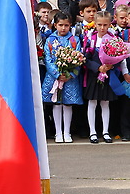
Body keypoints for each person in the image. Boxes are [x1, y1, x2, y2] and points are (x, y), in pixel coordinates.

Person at [41, 12, 83, 143]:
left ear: (70, 25)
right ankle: (58, 132)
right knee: (56, 104)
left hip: (69, 79)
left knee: (68, 104)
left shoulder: (75, 40)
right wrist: (58, 74)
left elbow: (79, 58)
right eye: (60, 25)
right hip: (54, 78)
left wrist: (70, 74)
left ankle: (67, 132)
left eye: (66, 25)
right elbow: (47, 59)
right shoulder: (50, 40)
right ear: (55, 25)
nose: (63, 28)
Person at [83, 11, 119, 143]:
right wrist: (97, 67)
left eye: (105, 25)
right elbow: (85, 58)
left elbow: (120, 56)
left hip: (108, 74)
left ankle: (105, 131)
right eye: (99, 25)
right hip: (94, 75)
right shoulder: (89, 38)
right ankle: (92, 132)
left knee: (105, 103)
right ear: (95, 24)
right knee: (92, 102)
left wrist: (111, 65)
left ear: (110, 24)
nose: (102, 28)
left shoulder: (113, 38)